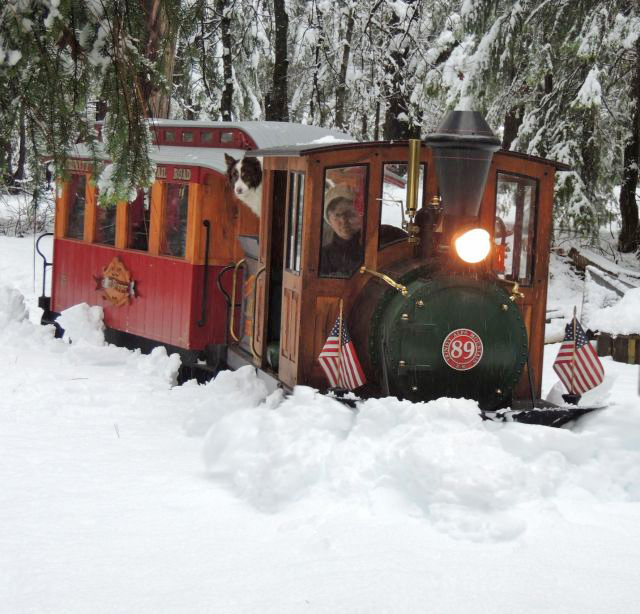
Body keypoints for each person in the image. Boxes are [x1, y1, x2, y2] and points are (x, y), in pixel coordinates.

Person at [320, 185, 364, 277]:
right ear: (329, 220)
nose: (344, 221)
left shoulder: (381, 241)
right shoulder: (323, 257)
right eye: (337, 215)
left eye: (350, 214)